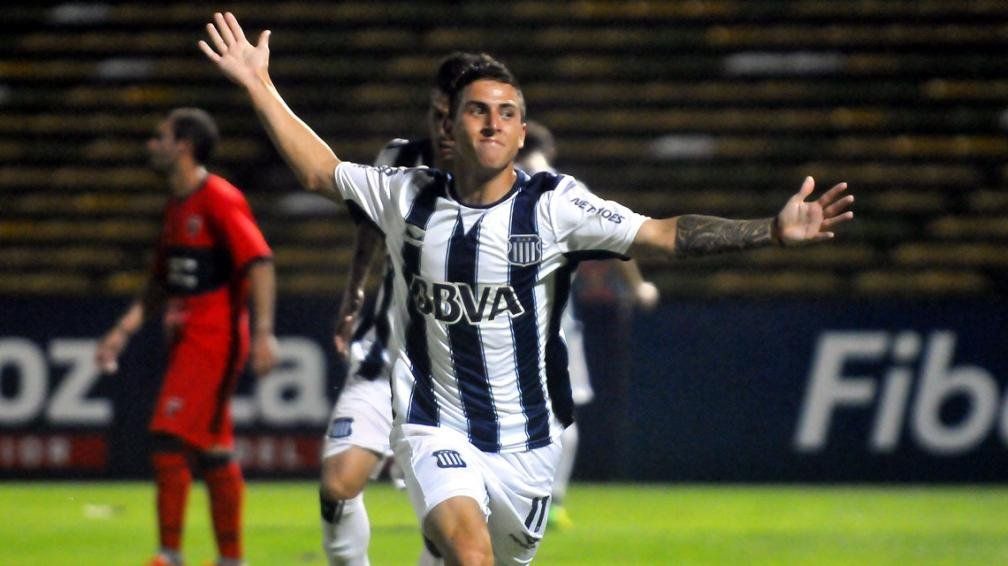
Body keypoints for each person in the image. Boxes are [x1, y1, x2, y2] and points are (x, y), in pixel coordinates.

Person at [199, 12, 853, 564]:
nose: (492, 123)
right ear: (450, 127)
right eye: (478, 111)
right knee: (470, 554)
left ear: (519, 134)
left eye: (506, 114)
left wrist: (769, 230)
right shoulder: (406, 194)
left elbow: (660, 234)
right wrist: (260, 84)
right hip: (432, 425)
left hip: (528, 445)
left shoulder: (555, 207)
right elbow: (321, 172)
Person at [319, 52, 488, 566]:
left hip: (455, 376)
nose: (444, 129)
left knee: (449, 530)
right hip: (384, 354)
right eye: (437, 115)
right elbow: (369, 228)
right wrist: (354, 292)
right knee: (337, 486)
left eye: (455, 116)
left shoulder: (501, 182)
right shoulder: (399, 158)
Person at [94, 107, 278, 566]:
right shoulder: (176, 205)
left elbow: (259, 262)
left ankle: (169, 554)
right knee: (214, 449)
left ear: (184, 146)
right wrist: (122, 331)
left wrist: (263, 333)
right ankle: (231, 559)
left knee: (167, 437)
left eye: (160, 137)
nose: (152, 144)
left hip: (214, 339)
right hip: (186, 339)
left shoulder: (219, 198)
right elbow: (160, 282)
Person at [515, 120, 660, 531]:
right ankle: (550, 503)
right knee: (560, 415)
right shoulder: (564, 189)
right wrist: (638, 286)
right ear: (550, 150)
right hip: (551, 326)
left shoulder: (491, 185)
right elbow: (616, 238)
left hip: (493, 319)